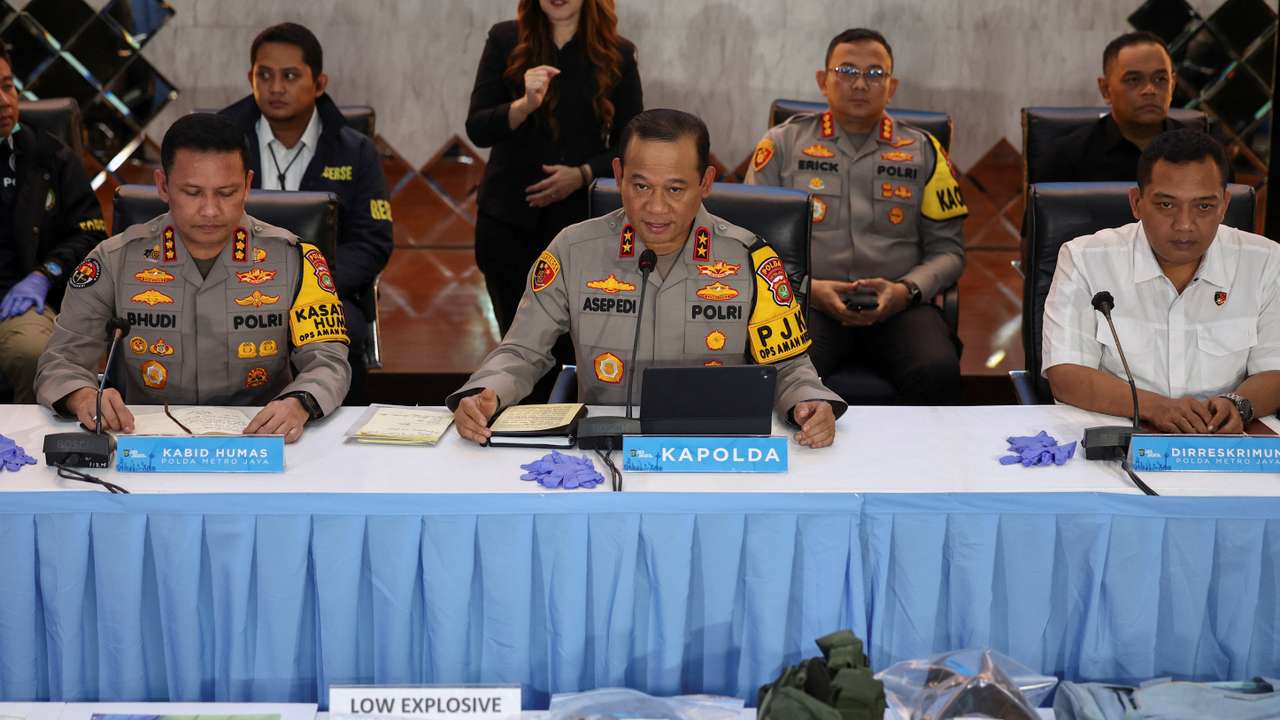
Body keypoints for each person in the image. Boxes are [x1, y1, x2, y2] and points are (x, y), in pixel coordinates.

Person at [449, 109, 845, 448]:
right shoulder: (573, 250)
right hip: (608, 448)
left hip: (712, 449)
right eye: (640, 186)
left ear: (705, 183)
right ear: (618, 175)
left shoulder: (751, 260)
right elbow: (522, 351)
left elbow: (790, 366)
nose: (656, 208)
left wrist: (808, 403)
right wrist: (487, 392)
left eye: (675, 189)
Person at [34, 113, 351, 443]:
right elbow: (61, 360)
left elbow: (328, 361)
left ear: (247, 185)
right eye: (193, 192)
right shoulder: (113, 260)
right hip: (145, 438)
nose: (211, 210)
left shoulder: (295, 260)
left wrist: (299, 403)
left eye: (226, 193)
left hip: (262, 440)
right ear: (162, 186)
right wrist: (84, 396)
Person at [744, 28, 967, 404]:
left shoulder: (924, 151)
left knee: (937, 371)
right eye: (847, 71)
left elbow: (949, 252)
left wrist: (905, 291)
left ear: (892, 86)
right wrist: (809, 289)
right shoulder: (782, 145)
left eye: (875, 74)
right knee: (781, 375)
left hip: (900, 306)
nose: (861, 84)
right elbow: (750, 241)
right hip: (807, 302)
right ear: (823, 80)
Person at [1042, 129, 1280, 434]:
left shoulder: (1265, 262)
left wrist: (1238, 404)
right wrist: (1156, 407)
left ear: (1224, 205)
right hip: (1118, 438)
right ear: (1137, 203)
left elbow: (1275, 368)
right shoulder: (1085, 258)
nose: (1184, 224)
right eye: (1166, 205)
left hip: (1222, 441)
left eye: (1204, 206)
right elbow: (1066, 374)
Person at [466, 0, 643, 398]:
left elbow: (632, 142)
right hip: (509, 220)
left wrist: (581, 175)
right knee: (520, 348)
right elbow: (478, 128)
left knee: (575, 352)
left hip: (580, 224)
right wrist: (524, 105)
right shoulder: (504, 39)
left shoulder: (617, 52)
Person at [219, 22, 391, 406]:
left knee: (344, 326)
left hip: (323, 294)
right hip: (226, 288)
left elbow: (372, 241)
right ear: (251, 78)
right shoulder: (219, 142)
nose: (276, 87)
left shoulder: (356, 151)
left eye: (290, 76)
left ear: (319, 83)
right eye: (264, 75)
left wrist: (305, 287)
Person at [0, 43, 107, 403]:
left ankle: (29, 451)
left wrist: (43, 275)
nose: (3, 100)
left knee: (34, 353)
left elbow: (91, 234)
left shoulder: (51, 156)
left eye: (7, 86)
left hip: (22, 302)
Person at [1040, 32, 1187, 182]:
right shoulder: (1067, 157)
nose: (1150, 90)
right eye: (1133, 80)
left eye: (1160, 79)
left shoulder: (1199, 151)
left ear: (1172, 85)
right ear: (1105, 89)